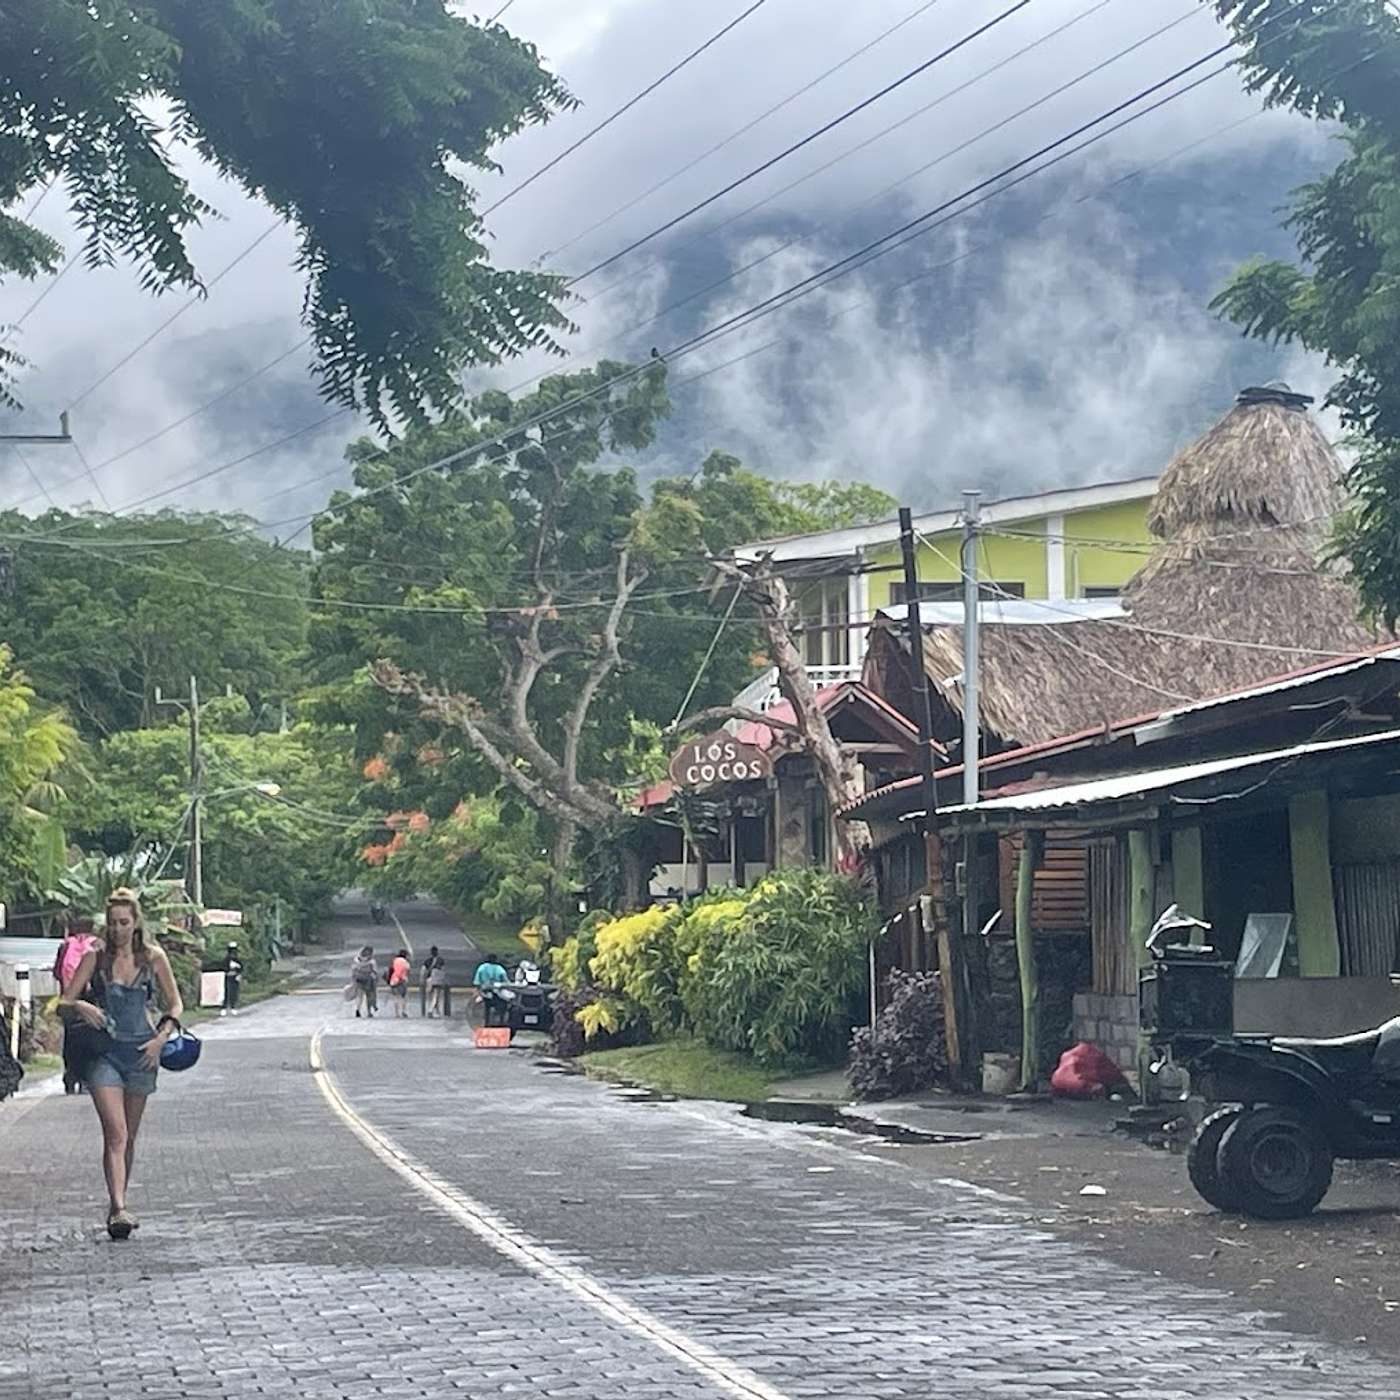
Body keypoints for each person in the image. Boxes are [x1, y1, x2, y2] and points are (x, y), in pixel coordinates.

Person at [60, 889, 183, 1240]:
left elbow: (175, 1004)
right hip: (105, 1053)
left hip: (142, 1052)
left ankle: (121, 1202)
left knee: (129, 1136)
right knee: (115, 1132)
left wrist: (162, 1037)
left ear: (136, 922)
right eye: (113, 923)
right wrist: (81, 1005)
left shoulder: (153, 958)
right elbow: (64, 1002)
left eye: (124, 923)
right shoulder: (95, 958)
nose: (118, 930)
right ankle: (117, 1207)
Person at [53, 914, 102, 1094]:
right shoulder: (97, 945)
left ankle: (70, 1076)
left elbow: (57, 972)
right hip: (90, 998)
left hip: (69, 999)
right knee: (90, 1038)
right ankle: (85, 1078)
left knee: (70, 1039)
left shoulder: (65, 945)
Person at [473, 952, 509, 1026]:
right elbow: (506, 982)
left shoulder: (481, 968)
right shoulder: (499, 968)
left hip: (485, 992)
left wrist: (478, 991)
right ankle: (501, 1022)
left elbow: (477, 982)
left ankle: (486, 1023)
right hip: (498, 993)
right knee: (503, 1006)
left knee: (486, 1008)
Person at [350, 946, 378, 1018]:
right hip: (368, 980)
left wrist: (353, 979)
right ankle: (369, 1012)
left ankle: (357, 1010)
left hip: (358, 979)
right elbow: (375, 972)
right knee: (369, 996)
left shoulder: (356, 960)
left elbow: (353, 970)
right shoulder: (372, 961)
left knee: (359, 996)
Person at [387, 948, 411, 1018]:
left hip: (394, 980)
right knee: (404, 997)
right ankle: (404, 1011)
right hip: (402, 980)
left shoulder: (394, 961)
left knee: (396, 997)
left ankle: (397, 1013)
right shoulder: (405, 962)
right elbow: (408, 970)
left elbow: (391, 970)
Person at [221, 941, 243, 1017]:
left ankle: (233, 1007)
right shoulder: (226, 959)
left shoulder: (237, 959)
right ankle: (224, 1007)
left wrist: (238, 972)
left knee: (234, 992)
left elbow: (241, 968)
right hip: (228, 976)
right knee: (227, 992)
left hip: (235, 977)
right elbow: (223, 967)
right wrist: (228, 968)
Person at [425, 947, 448, 1018]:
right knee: (436, 996)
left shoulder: (428, 961)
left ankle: (434, 1010)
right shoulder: (441, 960)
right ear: (437, 952)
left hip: (429, 979)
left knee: (430, 996)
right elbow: (443, 970)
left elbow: (424, 970)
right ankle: (431, 1010)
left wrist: (423, 979)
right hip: (438, 980)